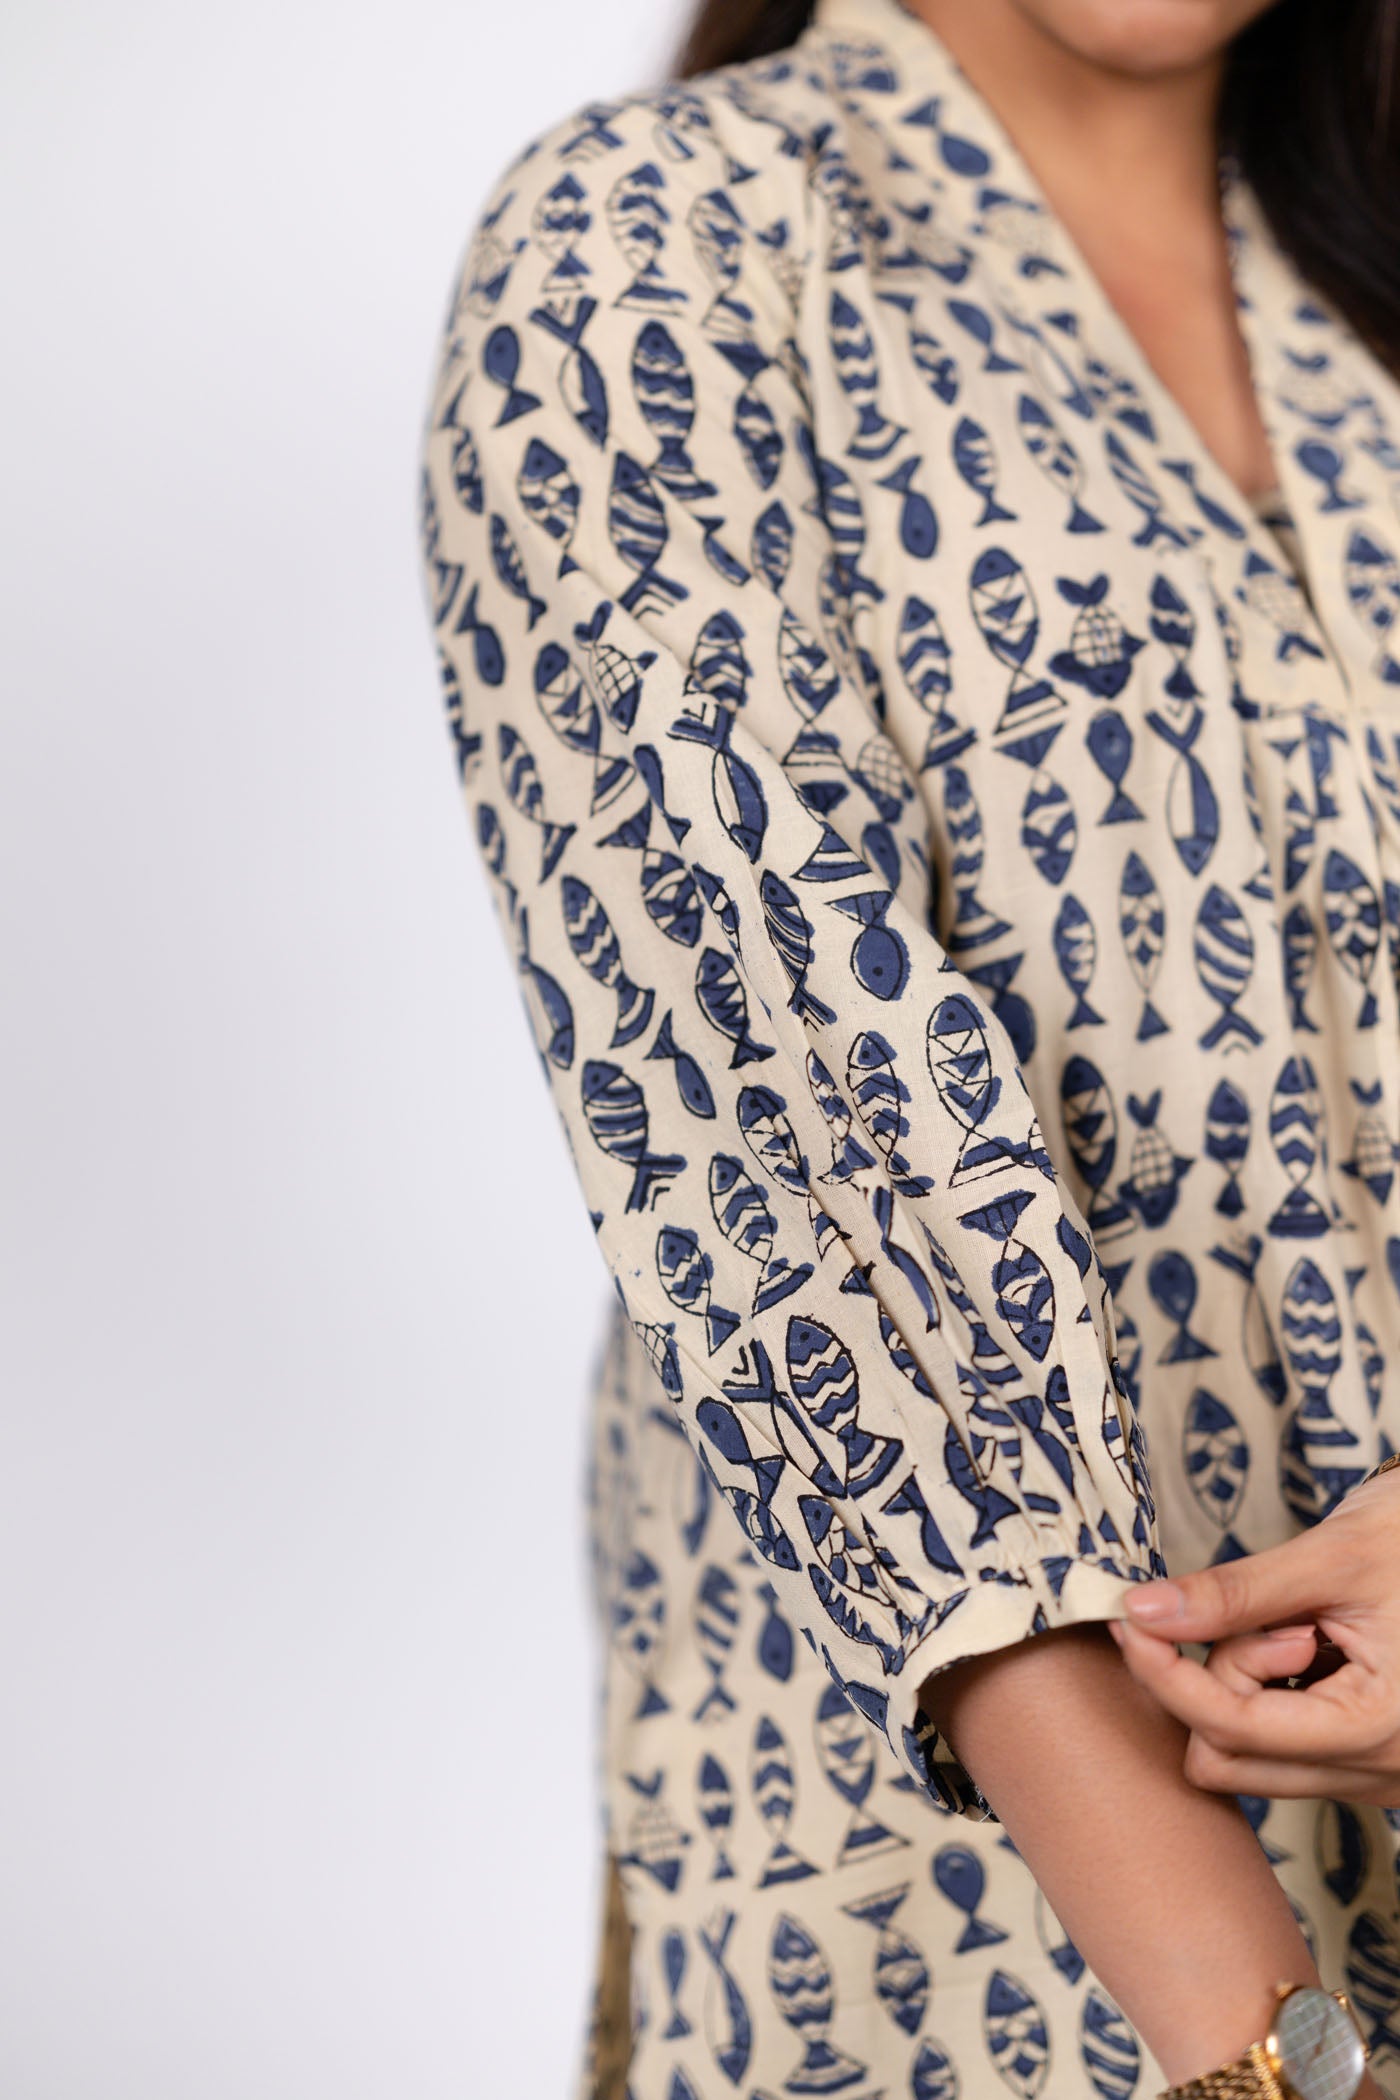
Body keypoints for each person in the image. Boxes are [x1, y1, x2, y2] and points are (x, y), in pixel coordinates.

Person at [414, 0, 1400, 2092]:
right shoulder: (660, 237)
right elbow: (762, 1122)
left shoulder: (1368, 265)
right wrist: (1260, 2048)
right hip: (1024, 1924)